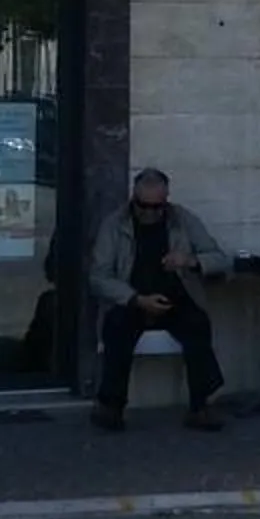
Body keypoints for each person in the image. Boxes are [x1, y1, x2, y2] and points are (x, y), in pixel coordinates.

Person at [86, 168, 230, 432]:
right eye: (144, 206)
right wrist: (135, 298)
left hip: (175, 297)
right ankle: (111, 405)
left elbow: (220, 258)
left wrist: (191, 261)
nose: (150, 213)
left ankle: (201, 405)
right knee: (117, 327)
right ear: (133, 199)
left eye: (157, 207)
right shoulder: (115, 225)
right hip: (132, 298)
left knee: (197, 324)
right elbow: (98, 276)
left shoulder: (182, 220)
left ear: (167, 201)